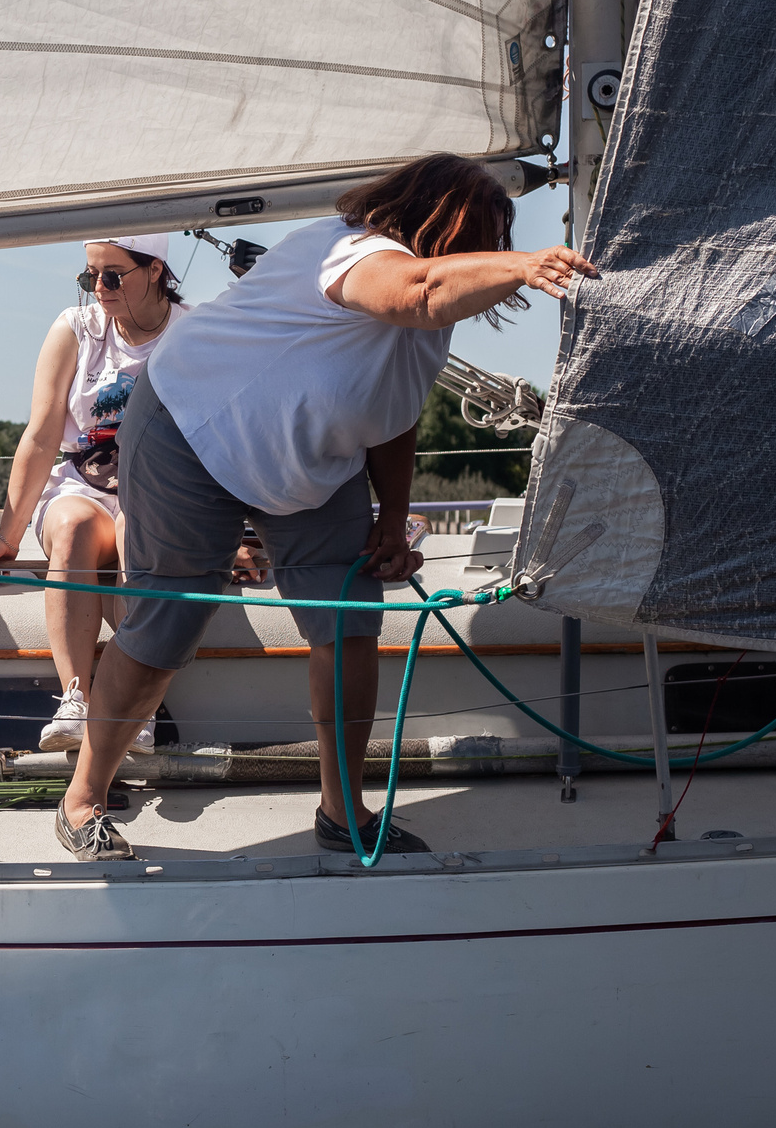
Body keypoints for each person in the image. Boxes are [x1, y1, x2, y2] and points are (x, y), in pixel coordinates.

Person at [52, 154, 599, 861]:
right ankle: (82, 799)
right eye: (483, 235)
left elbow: (392, 409)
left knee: (349, 624)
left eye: (499, 240)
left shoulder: (434, 320)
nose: (489, 253)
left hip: (310, 465)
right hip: (192, 425)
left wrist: (390, 516)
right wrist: (524, 266)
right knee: (165, 627)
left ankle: (343, 812)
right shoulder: (353, 249)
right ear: (436, 217)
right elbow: (419, 291)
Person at [0, 234, 212, 753]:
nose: (97, 288)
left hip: (160, 488)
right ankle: (75, 700)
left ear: (155, 270)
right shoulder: (75, 330)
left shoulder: (194, 332)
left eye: (112, 275)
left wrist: (232, 533)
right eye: (89, 276)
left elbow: (220, 436)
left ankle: (134, 706)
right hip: (82, 483)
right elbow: (40, 435)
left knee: (136, 527)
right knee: (76, 527)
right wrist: (7, 535)